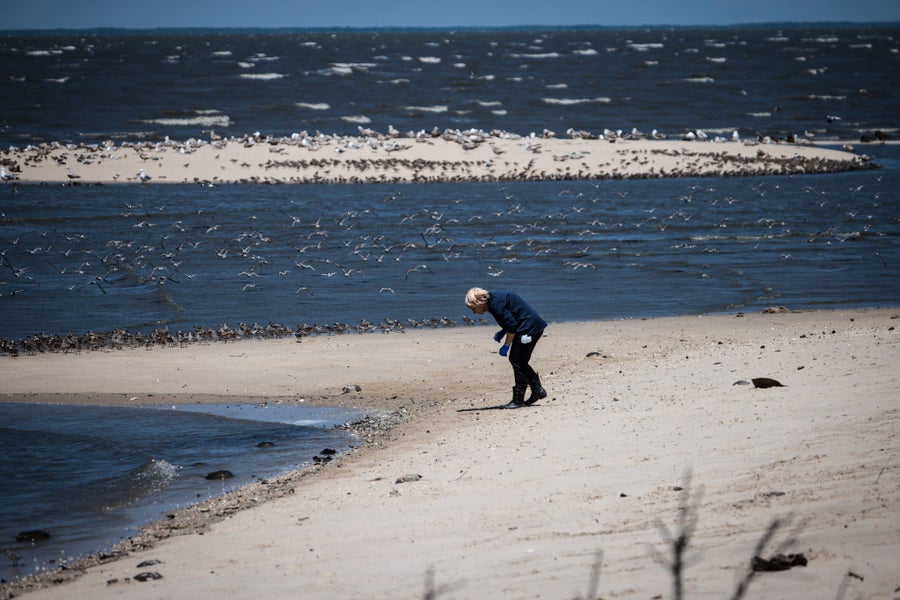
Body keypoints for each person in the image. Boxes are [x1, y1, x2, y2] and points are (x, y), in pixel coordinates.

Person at [465, 287, 548, 408]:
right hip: (532, 325)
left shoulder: (495, 305)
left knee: (517, 360)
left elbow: (512, 327)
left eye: (473, 308)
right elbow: (512, 317)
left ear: (478, 302)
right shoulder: (493, 300)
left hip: (529, 328)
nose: (473, 312)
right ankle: (537, 390)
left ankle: (519, 400)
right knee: (519, 360)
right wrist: (503, 331)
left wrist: (506, 345)